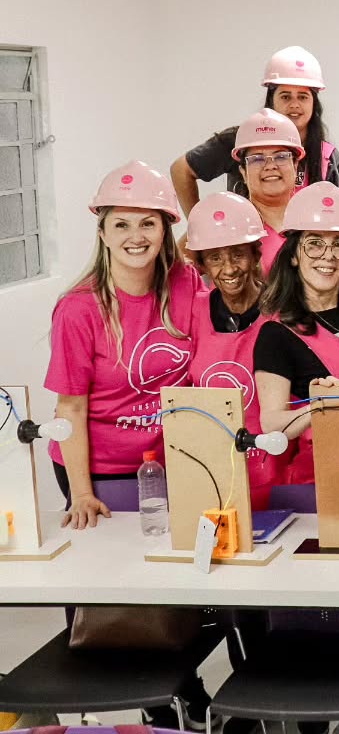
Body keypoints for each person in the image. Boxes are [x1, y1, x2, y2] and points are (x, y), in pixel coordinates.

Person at [48, 161, 198, 528]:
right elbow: (70, 408)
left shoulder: (186, 283)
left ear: (165, 229)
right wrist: (82, 493)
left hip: (172, 462)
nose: (136, 236)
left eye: (148, 223)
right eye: (121, 225)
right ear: (103, 233)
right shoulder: (78, 309)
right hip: (100, 471)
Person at [255, 183, 339, 484]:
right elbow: (272, 423)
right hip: (323, 486)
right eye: (314, 243)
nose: (327, 256)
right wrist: (320, 406)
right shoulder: (277, 335)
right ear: (293, 255)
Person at [186, 192, 289, 510]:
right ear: (201, 263)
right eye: (215, 258)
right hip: (211, 477)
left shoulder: (283, 312)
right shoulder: (193, 311)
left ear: (257, 253)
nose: (229, 268)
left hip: (277, 480)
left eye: (238, 254)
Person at [171, 46, 339, 215]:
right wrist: (198, 225)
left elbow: (338, 219)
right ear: (271, 99)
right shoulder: (240, 140)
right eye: (285, 96)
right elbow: (181, 170)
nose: (294, 104)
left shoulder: (327, 156)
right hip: (246, 242)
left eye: (303, 97)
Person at [220, 109, 308, 271]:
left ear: (295, 166)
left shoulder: (315, 222)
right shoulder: (227, 229)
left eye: (281, 156)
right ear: (243, 173)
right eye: (257, 159)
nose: (270, 166)